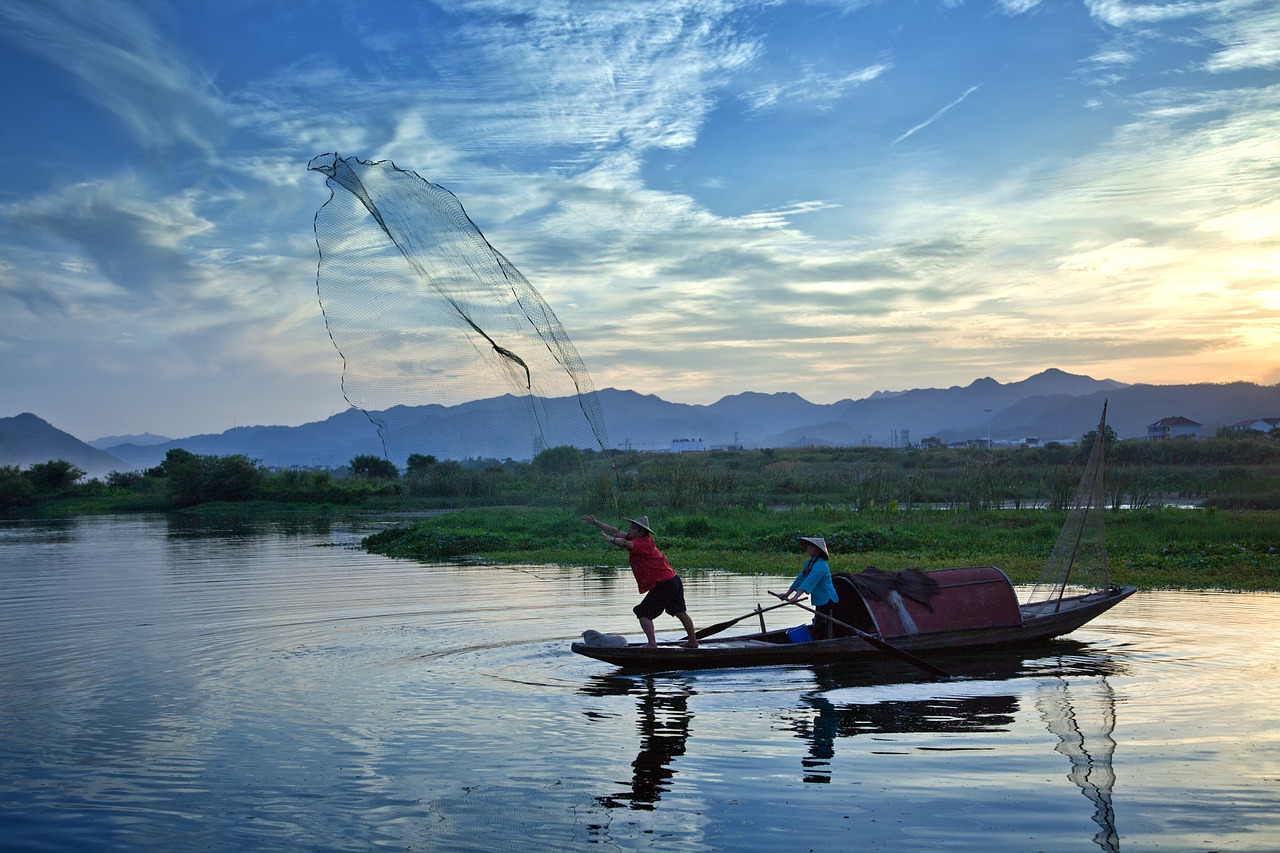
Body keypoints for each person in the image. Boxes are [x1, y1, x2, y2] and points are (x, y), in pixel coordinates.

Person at [582, 514, 698, 649]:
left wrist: (609, 539)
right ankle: (693, 642)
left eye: (633, 528)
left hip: (665, 583)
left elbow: (624, 543)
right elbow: (615, 531)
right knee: (679, 611)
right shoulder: (636, 539)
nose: (630, 530)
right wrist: (597, 523)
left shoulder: (642, 543)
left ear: (641, 531)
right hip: (673, 580)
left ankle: (652, 644)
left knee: (643, 612)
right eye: (630, 527)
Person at [781, 536, 839, 639]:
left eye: (812, 547)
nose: (808, 549)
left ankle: (824, 642)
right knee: (818, 622)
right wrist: (787, 594)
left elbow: (809, 581)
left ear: (818, 550)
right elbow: (800, 579)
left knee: (824, 624)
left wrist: (796, 597)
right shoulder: (808, 563)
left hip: (828, 598)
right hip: (819, 599)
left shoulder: (821, 565)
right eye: (808, 547)